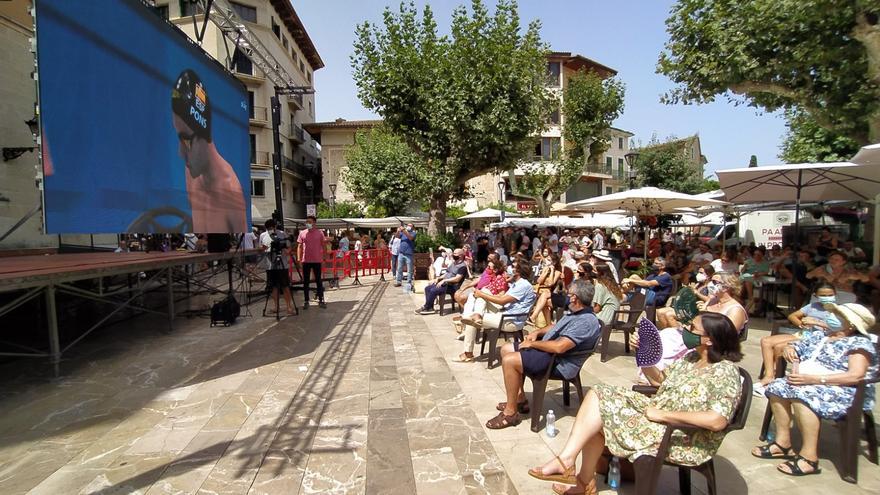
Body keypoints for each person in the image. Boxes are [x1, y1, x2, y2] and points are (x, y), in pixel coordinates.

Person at [528, 312, 743, 494]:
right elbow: (659, 381)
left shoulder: (725, 372)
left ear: (709, 340)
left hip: (681, 435)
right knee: (598, 397)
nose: (685, 329)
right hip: (658, 417)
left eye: (692, 328)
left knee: (599, 416)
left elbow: (717, 420)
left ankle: (578, 477)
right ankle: (571, 465)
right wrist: (643, 353)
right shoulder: (691, 359)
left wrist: (662, 415)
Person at [754, 303, 877, 477]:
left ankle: (809, 457)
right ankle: (783, 443)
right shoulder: (823, 335)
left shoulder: (859, 344)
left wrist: (814, 379)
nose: (832, 317)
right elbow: (798, 346)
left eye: (838, 315)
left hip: (843, 389)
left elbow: (855, 376)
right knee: (776, 387)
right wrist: (790, 349)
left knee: (802, 394)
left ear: (851, 324)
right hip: (813, 381)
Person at [485, 280, 602, 429]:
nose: (565, 296)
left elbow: (560, 347)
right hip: (549, 353)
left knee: (510, 360)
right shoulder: (575, 311)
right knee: (506, 349)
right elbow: (555, 327)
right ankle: (520, 399)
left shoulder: (585, 321)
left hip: (559, 362)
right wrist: (537, 332)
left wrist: (532, 344)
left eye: (568, 294)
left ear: (574, 298)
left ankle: (510, 413)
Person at [170, 69, 246, 233]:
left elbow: (243, 248)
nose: (180, 153)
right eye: (179, 139)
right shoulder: (191, 173)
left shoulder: (231, 189)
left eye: (186, 140)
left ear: (206, 135)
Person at [752, 283, 843, 395]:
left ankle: (773, 377)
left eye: (830, 295)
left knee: (779, 347)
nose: (827, 298)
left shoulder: (840, 310)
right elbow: (792, 316)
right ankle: (769, 376)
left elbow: (841, 329)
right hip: (804, 334)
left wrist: (817, 322)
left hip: (819, 339)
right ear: (816, 295)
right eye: (823, 295)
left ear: (835, 294)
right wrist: (801, 324)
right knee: (766, 341)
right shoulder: (812, 306)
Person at [453, 259, 509, 362]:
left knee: (483, 292)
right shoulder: (492, 277)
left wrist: (484, 294)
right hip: (488, 305)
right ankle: (468, 353)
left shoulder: (500, 278)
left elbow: (501, 296)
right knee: (472, 318)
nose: (487, 269)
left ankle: (474, 315)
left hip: (496, 307)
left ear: (495, 270)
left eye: (489, 267)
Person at [415, 248, 469, 314]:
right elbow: (447, 273)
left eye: (455, 253)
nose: (453, 255)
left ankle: (426, 307)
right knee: (428, 288)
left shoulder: (462, 266)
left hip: (452, 286)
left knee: (433, 290)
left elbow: (457, 278)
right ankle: (430, 307)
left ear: (460, 255)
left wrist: (445, 280)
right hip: (445, 283)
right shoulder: (453, 263)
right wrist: (437, 279)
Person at [260, 219, 294, 315]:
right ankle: (276, 306)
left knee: (285, 286)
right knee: (273, 287)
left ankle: (289, 306)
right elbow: (261, 248)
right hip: (270, 265)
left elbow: (289, 247)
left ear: (275, 226)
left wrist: (285, 250)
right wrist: (264, 249)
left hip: (282, 264)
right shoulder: (263, 235)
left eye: (272, 228)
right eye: (268, 228)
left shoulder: (282, 234)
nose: (270, 230)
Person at [296, 215, 328, 309]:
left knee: (318, 280)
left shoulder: (320, 233)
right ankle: (306, 301)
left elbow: (324, 246)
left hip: (317, 260)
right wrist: (298, 259)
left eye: (310, 222)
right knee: (306, 281)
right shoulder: (302, 233)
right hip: (306, 260)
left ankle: (321, 299)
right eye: (307, 222)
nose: (308, 223)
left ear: (314, 223)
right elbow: (299, 246)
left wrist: (325, 258)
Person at [529, 253, 564, 326]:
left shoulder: (557, 272)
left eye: (549, 260)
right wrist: (545, 272)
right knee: (544, 303)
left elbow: (551, 283)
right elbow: (539, 281)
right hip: (540, 290)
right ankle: (548, 325)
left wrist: (551, 271)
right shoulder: (545, 269)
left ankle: (534, 316)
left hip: (549, 292)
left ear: (554, 262)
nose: (547, 261)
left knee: (544, 296)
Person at [394, 223, 417, 287]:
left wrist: (404, 230)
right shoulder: (403, 233)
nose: (408, 226)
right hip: (401, 253)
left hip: (409, 254)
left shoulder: (413, 233)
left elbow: (410, 238)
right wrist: (398, 231)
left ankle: (409, 282)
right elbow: (397, 236)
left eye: (410, 226)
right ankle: (398, 281)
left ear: (412, 227)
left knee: (409, 269)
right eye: (408, 225)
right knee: (399, 268)